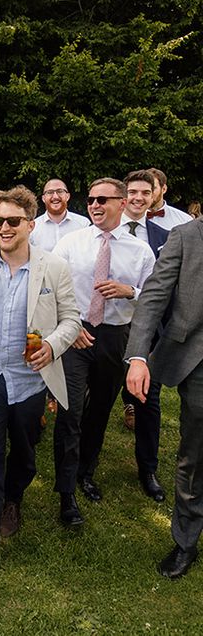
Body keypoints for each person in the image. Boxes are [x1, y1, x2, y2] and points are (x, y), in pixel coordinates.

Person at [0, 186, 80, 586]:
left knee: (23, 455)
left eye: (12, 221)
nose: (3, 228)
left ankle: (14, 499)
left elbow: (72, 320)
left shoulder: (53, 268)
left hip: (29, 384)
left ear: (29, 224)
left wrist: (53, 347)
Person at [52, 178, 155, 525]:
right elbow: (50, 286)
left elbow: (154, 296)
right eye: (91, 200)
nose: (94, 205)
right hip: (75, 332)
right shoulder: (71, 242)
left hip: (114, 336)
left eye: (103, 200)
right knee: (69, 411)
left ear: (122, 204)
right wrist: (70, 326)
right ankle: (65, 492)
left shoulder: (140, 251)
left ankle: (86, 470)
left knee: (99, 410)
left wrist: (130, 291)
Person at [126, 213, 203, 579]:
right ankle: (186, 542)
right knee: (195, 456)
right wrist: (139, 356)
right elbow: (154, 296)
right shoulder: (186, 236)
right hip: (198, 361)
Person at [117, 170, 169, 501]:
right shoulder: (105, 229)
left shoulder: (166, 236)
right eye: (132, 192)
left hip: (147, 333)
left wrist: (132, 291)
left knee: (148, 400)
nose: (138, 198)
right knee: (96, 398)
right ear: (124, 197)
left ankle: (147, 468)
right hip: (110, 328)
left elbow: (163, 289)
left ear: (154, 196)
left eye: (144, 193)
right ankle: (82, 468)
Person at [29, 178, 90, 252]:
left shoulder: (83, 224)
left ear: (67, 196)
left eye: (60, 191)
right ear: (43, 198)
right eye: (50, 192)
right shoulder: (32, 228)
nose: (55, 197)